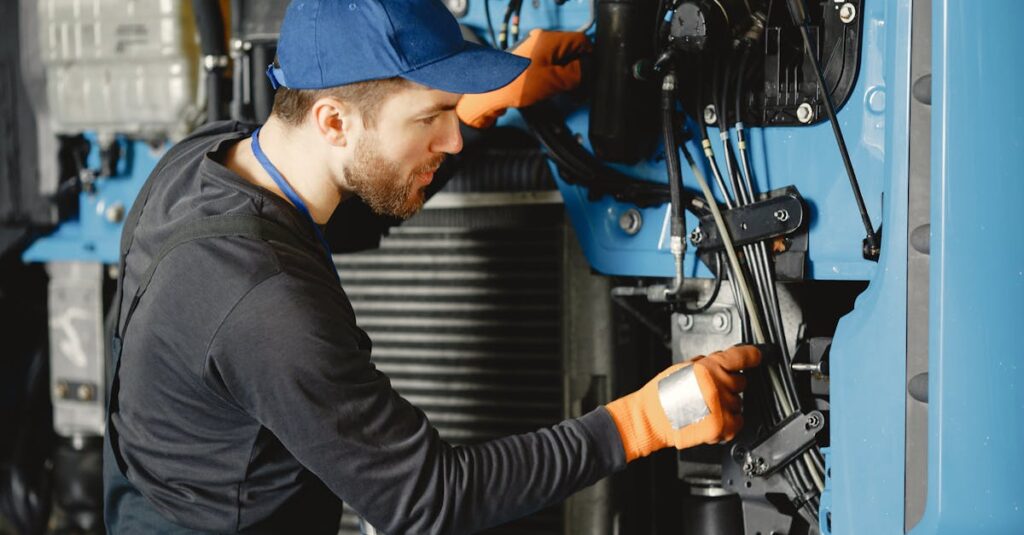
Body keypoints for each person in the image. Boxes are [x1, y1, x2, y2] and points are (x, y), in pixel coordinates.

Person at [102, 0, 762, 533]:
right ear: (333, 121)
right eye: (431, 117)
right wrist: (650, 417)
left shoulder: (207, 158)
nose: (448, 142)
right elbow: (429, 499)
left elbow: (339, 206)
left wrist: (478, 107)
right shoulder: (266, 303)